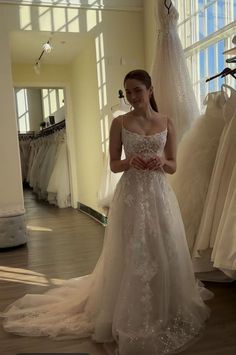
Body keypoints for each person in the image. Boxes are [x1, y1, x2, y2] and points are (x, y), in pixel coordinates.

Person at [1, 69, 212, 355]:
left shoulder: (167, 122)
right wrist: (131, 161)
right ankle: (126, 308)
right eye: (128, 92)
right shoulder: (120, 123)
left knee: (163, 246)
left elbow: (173, 164)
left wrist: (160, 161)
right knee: (131, 249)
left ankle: (165, 303)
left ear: (150, 90)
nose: (133, 97)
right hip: (131, 194)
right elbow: (114, 163)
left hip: (160, 194)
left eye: (137, 90)